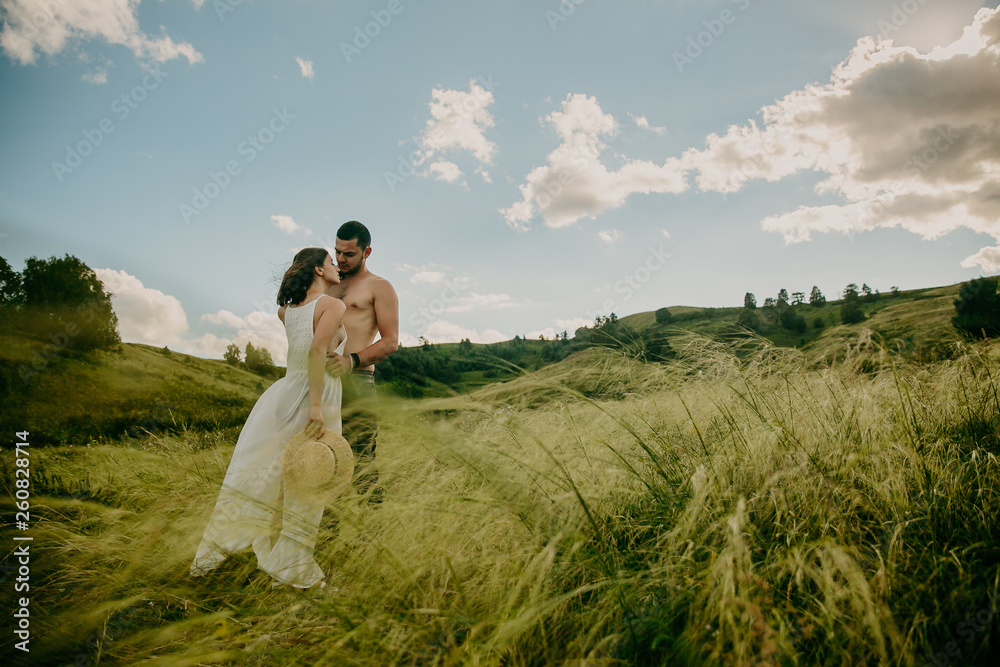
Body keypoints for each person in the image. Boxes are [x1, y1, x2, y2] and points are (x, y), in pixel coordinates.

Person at [190, 247, 346, 590]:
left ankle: (225, 551)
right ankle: (292, 567)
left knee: (267, 478)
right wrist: (316, 407)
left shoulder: (285, 311)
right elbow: (316, 351)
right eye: (331, 262)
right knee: (308, 480)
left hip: (286, 391)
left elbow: (308, 346)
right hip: (313, 395)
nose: (336, 266)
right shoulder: (333, 305)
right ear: (319, 270)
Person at [325, 221, 399, 503]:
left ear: (367, 252)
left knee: (362, 462)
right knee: (320, 460)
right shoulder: (326, 285)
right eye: (337, 252)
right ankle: (326, 537)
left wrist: (351, 361)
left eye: (349, 254)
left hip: (357, 381)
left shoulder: (379, 287)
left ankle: (372, 534)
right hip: (321, 381)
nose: (341, 259)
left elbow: (391, 341)